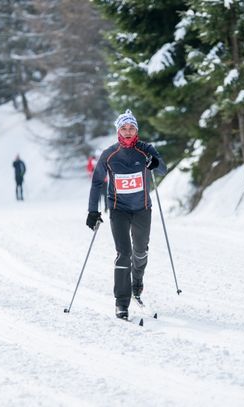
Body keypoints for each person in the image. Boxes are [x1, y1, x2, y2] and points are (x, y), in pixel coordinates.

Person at [86, 109, 167, 320]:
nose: (128, 132)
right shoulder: (109, 154)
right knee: (124, 253)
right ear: (118, 131)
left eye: (132, 128)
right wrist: (92, 211)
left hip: (142, 209)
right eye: (124, 128)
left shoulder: (145, 150)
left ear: (136, 130)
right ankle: (121, 303)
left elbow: (162, 169)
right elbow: (96, 183)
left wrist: (156, 163)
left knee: (140, 251)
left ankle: (136, 283)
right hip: (119, 210)